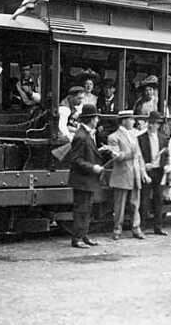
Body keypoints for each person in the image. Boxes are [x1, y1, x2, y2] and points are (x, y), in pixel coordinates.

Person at [108, 110, 150, 240]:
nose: (133, 122)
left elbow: (139, 157)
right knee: (119, 205)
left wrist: (143, 172)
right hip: (122, 175)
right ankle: (117, 230)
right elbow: (115, 157)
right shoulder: (113, 137)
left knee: (135, 204)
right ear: (124, 121)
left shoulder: (134, 136)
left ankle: (136, 228)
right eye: (131, 119)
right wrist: (130, 154)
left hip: (135, 175)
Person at [67, 104, 105, 249]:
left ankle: (83, 235)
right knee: (81, 209)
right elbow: (76, 160)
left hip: (86, 180)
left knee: (86, 209)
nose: (97, 120)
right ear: (91, 119)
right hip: (82, 180)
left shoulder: (86, 134)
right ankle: (77, 239)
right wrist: (93, 167)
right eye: (96, 117)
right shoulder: (81, 136)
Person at [138, 111, 170, 235]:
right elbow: (138, 156)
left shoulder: (163, 138)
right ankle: (142, 226)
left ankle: (158, 227)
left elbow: (166, 155)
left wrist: (167, 165)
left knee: (158, 200)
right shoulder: (141, 138)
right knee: (144, 199)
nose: (153, 125)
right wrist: (145, 166)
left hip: (159, 171)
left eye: (156, 123)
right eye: (151, 123)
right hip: (147, 171)